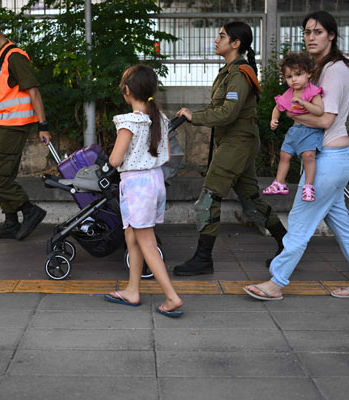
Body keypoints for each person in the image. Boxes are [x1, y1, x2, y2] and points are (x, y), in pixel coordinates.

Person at [243, 11, 349, 301]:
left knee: (300, 221)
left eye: (317, 32)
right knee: (341, 224)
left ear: (331, 35)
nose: (311, 37)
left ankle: (276, 282)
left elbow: (327, 120)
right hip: (331, 158)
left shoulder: (334, 70)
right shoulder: (318, 69)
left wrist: (291, 114)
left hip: (329, 158)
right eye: (307, 32)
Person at [173, 21, 287, 276]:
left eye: (222, 36)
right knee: (250, 197)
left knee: (208, 199)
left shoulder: (239, 73)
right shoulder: (229, 70)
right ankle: (287, 244)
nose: (216, 39)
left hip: (238, 142)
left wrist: (195, 117)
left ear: (236, 43)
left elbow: (228, 112)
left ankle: (203, 259)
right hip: (235, 141)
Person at [103, 65, 183, 317]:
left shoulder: (129, 122)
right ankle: (132, 290)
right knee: (132, 237)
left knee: (146, 241)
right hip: (155, 181)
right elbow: (167, 156)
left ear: (126, 90)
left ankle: (171, 297)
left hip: (137, 186)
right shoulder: (159, 118)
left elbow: (115, 160)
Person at [0, 13, 51, 241]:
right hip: (3, 122)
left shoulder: (14, 57)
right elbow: (2, 93)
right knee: (3, 173)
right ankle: (10, 222)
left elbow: (33, 91)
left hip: (15, 125)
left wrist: (43, 125)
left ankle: (29, 210)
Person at [263, 52, 325, 202]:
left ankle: (308, 186)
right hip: (295, 130)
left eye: (298, 74)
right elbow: (278, 107)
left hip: (311, 130)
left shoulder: (312, 91)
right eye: (289, 77)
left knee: (308, 156)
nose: (294, 79)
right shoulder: (289, 93)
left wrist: (304, 103)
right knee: (284, 155)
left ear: (309, 73)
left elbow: (319, 111)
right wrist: (274, 119)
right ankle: (279, 182)